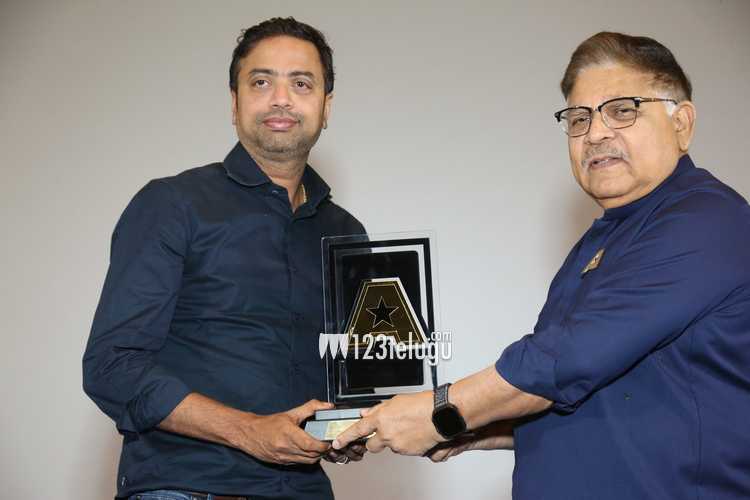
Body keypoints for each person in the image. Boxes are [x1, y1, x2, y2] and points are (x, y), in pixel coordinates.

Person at [334, 31, 750, 499]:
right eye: (579, 118)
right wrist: (477, 429)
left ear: (682, 124)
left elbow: (565, 361)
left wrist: (439, 412)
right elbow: (599, 397)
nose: (595, 133)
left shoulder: (707, 220)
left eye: (622, 110)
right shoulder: (597, 243)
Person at [83, 17, 366, 500]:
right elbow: (111, 366)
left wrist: (351, 424)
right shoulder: (173, 204)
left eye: (301, 83)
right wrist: (248, 430)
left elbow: (353, 373)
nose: (281, 99)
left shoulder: (347, 234)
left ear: (326, 106)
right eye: (261, 82)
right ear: (234, 104)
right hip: (186, 487)